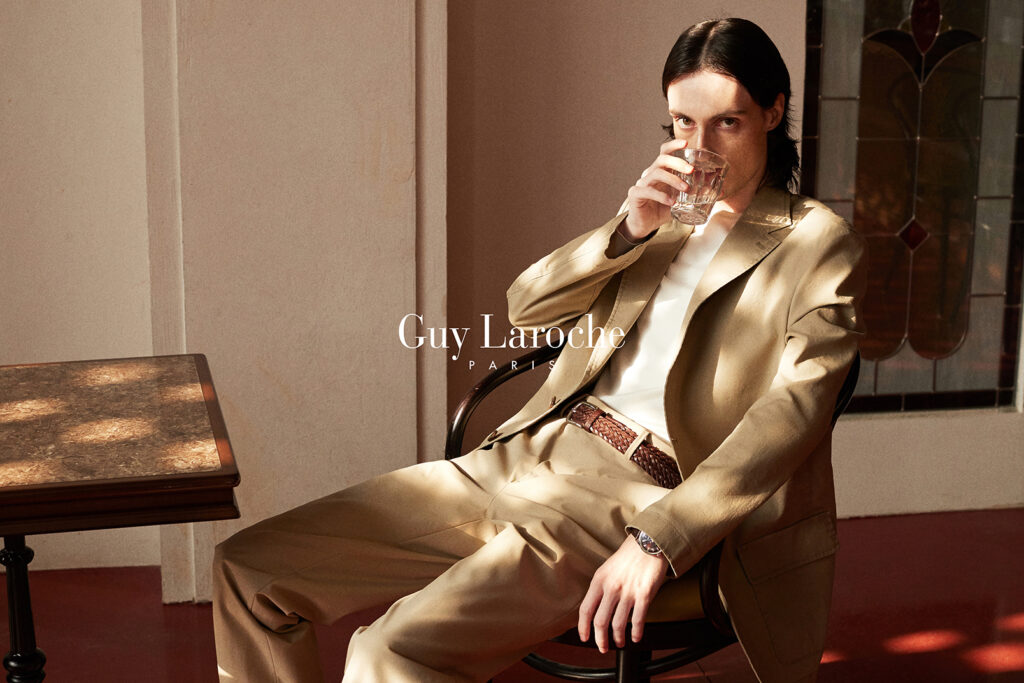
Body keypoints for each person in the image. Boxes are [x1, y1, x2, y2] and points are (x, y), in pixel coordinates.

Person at [213, 17, 865, 683]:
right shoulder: (664, 217)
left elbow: (792, 412)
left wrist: (660, 536)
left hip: (634, 494)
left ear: (773, 112)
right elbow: (526, 306)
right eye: (682, 123)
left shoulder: (816, 243)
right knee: (249, 570)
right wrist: (628, 229)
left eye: (726, 122)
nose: (700, 149)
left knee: (389, 651)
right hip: (529, 451)